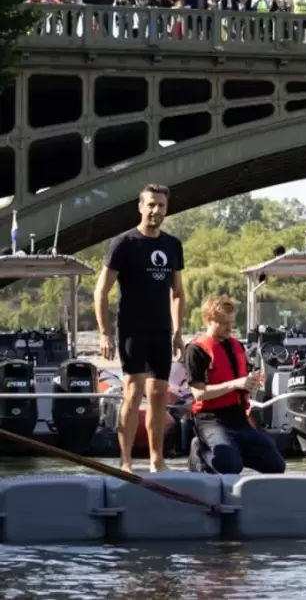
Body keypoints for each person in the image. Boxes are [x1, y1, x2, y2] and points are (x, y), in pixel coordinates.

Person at [93, 184, 186, 473]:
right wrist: (105, 332)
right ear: (140, 206)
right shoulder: (124, 243)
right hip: (132, 329)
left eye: (161, 205)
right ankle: (126, 462)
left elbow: (178, 292)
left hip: (161, 329)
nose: (156, 210)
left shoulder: (173, 245)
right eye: (151, 205)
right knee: (133, 391)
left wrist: (178, 331)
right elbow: (101, 291)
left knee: (159, 393)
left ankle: (157, 460)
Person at [185, 294, 286, 475]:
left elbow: (240, 381)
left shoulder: (237, 346)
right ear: (209, 320)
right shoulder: (196, 350)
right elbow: (198, 394)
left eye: (232, 322)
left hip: (239, 420)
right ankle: (201, 450)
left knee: (276, 466)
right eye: (224, 323)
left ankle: (231, 451)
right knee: (230, 467)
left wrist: (251, 382)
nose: (230, 328)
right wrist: (235, 384)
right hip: (211, 420)